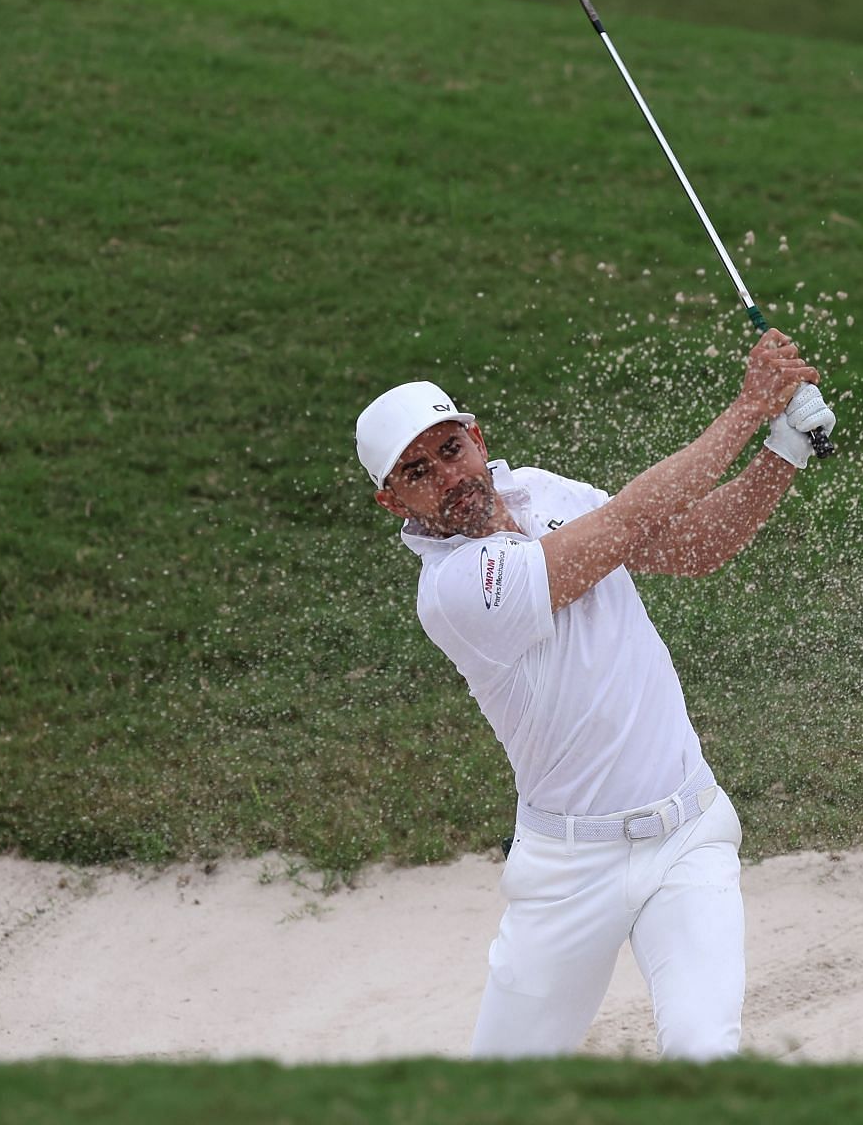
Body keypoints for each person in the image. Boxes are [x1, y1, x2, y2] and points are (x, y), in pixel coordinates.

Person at [353, 329, 835, 1060]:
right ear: (394, 502)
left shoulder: (544, 492)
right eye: (417, 472)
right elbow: (624, 521)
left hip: (688, 833)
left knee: (706, 1052)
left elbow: (694, 546)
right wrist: (746, 410)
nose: (447, 477)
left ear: (477, 439)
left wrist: (783, 450)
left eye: (451, 449)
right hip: (568, 872)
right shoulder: (453, 591)